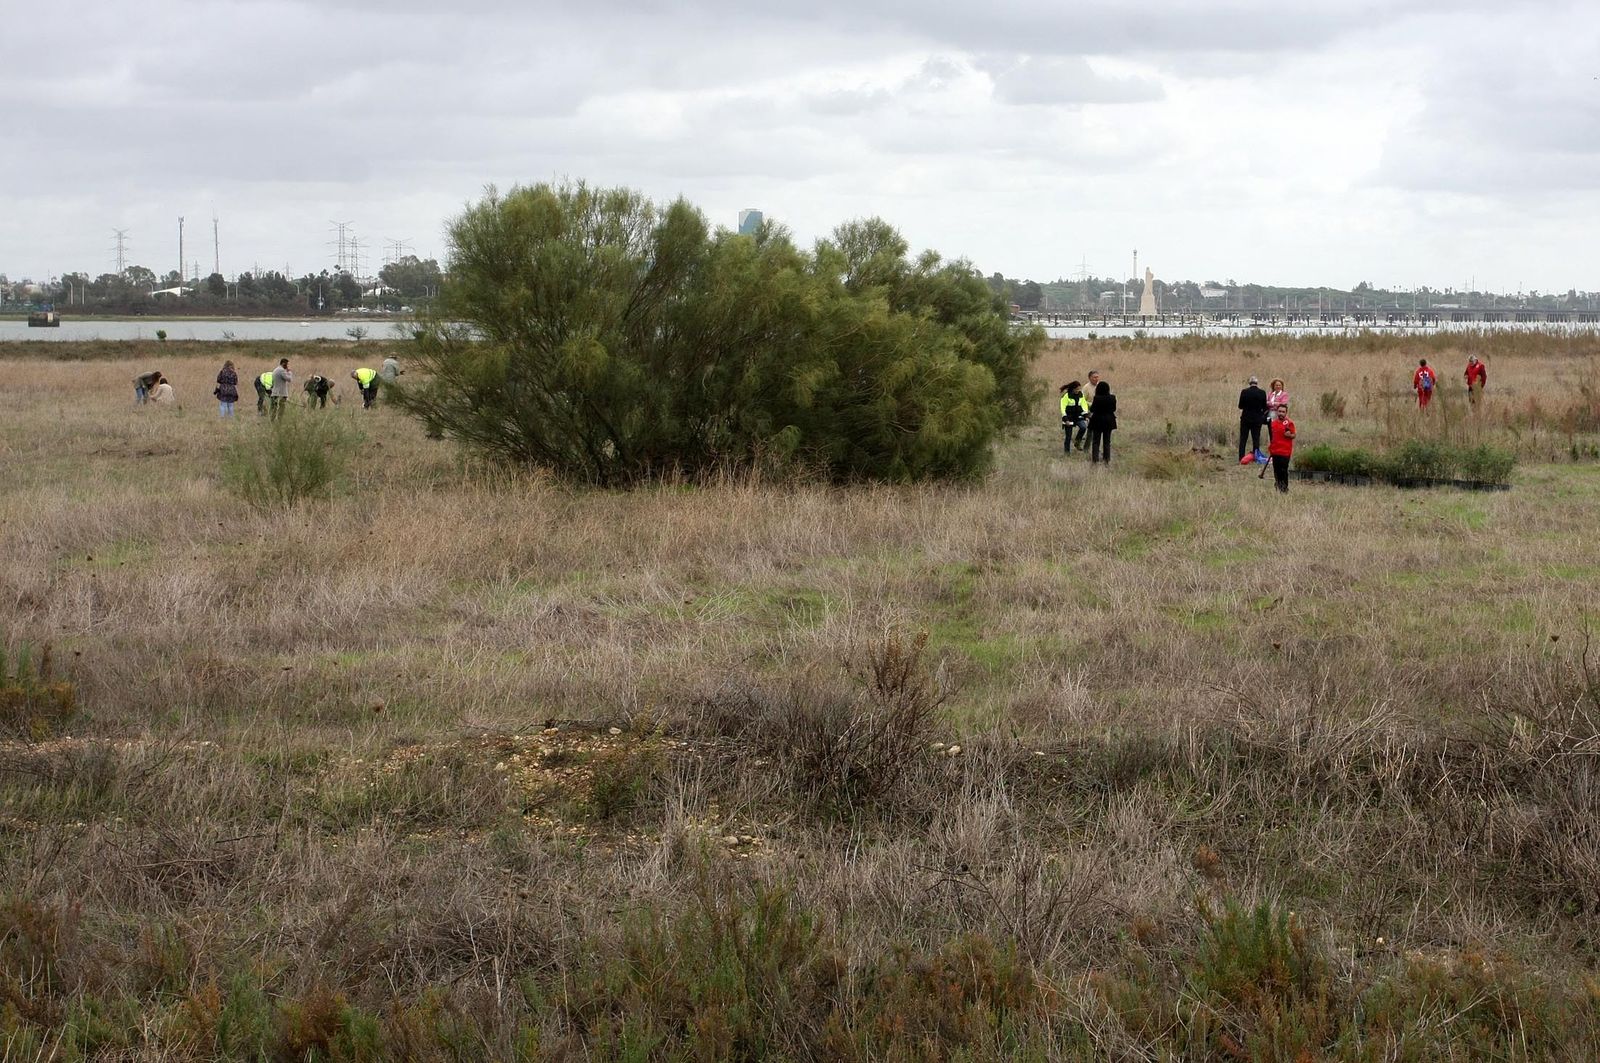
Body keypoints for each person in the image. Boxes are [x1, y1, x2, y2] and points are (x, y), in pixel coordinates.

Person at [1266, 403, 1296, 493]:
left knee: (1283, 471)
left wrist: (1289, 435)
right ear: (1277, 412)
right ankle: (1278, 486)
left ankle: (1284, 489)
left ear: (1286, 413)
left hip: (1285, 452)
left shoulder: (1289, 423)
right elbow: (1272, 437)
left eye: (1283, 412)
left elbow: (1294, 435)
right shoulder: (1273, 424)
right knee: (1276, 471)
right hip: (1275, 451)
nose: (1281, 413)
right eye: (1279, 411)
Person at [1238, 375, 1268, 461]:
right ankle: (1256, 457)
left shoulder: (1244, 392)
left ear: (1249, 383)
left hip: (1245, 418)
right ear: (1257, 383)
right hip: (1257, 419)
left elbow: (1240, 406)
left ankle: (1241, 457)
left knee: (1243, 438)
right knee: (1256, 438)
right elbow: (1265, 407)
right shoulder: (1262, 392)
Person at [1088, 379, 1117, 465]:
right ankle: (1106, 459)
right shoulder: (1112, 397)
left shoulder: (1097, 398)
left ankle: (1095, 459)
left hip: (1097, 420)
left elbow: (1092, 409)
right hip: (1109, 421)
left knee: (1096, 441)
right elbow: (1114, 409)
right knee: (1107, 441)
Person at [1059, 382, 1089, 454]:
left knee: (1083, 427)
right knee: (1068, 436)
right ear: (1072, 389)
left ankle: (1077, 442)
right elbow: (1063, 408)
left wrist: (1086, 416)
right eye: (1076, 389)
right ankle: (1067, 452)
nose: (1078, 390)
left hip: (1078, 417)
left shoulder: (1080, 395)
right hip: (1068, 418)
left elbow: (1084, 405)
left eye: (1079, 389)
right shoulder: (1066, 396)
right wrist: (1065, 419)